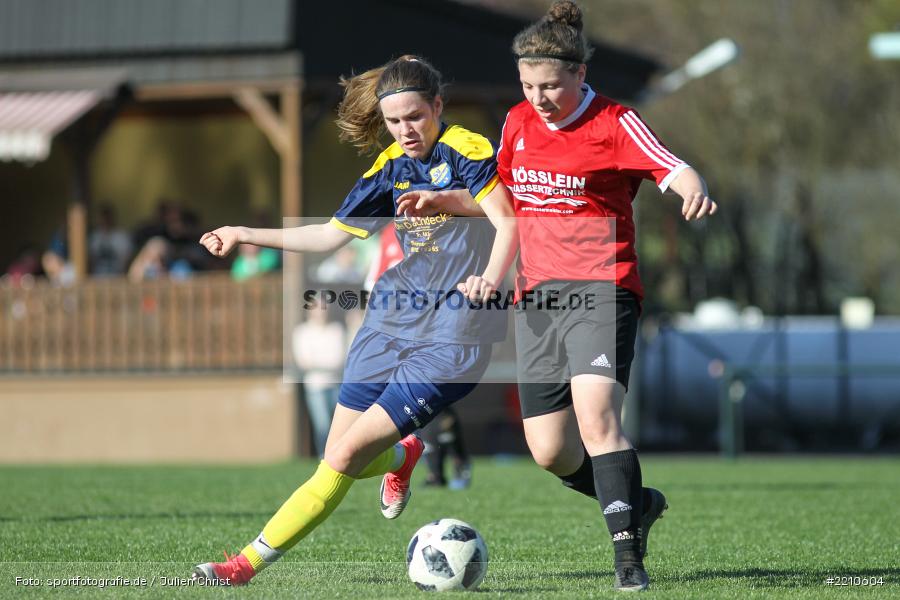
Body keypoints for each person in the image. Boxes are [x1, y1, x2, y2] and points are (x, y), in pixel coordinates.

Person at [397, 1, 718, 592]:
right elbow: (505, 200)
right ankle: (637, 503)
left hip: (603, 289)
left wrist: (692, 188)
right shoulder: (517, 123)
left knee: (598, 420)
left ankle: (628, 561)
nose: (538, 97)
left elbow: (673, 169)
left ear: (579, 74)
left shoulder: (615, 121)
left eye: (549, 86)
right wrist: (446, 201)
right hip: (538, 299)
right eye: (528, 85)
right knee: (549, 450)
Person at [191, 55, 517, 585]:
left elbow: (509, 220)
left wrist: (489, 278)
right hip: (390, 319)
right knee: (339, 454)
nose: (405, 130)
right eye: (394, 121)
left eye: (415, 117)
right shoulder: (389, 166)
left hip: (453, 334)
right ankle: (402, 456)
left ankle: (243, 566)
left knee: (342, 455)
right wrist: (244, 233)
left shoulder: (467, 149)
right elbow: (328, 235)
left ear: (438, 106)